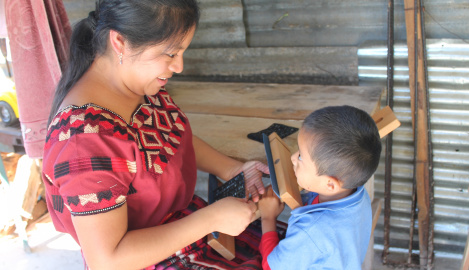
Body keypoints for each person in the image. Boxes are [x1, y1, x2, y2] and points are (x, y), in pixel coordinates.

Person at [42, 1, 270, 269]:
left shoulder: (137, 84)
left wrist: (233, 170)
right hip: (146, 258)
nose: (179, 66)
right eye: (171, 54)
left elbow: (172, 137)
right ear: (120, 42)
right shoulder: (84, 141)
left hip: (184, 225)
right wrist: (210, 220)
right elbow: (107, 260)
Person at [258, 105, 382, 270]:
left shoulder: (312, 230)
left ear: (329, 184)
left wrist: (268, 217)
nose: (293, 158)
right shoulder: (358, 194)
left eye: (301, 156)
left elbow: (270, 267)